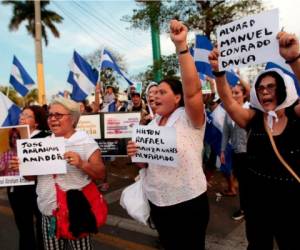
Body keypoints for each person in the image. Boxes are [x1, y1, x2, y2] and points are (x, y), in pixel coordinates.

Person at [208, 31, 300, 250]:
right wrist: (219, 72)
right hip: (258, 204)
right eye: (260, 88)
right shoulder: (253, 118)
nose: (264, 91)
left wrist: (294, 58)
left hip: (292, 205)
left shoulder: (296, 115)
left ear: (283, 89)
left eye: (271, 86)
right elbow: (230, 103)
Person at [127, 20, 209, 250]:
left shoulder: (188, 118)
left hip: (188, 204)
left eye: (162, 92)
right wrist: (135, 153)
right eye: (153, 93)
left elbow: (193, 91)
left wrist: (181, 46)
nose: (155, 96)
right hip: (158, 203)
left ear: (177, 97)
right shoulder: (151, 123)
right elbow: (144, 164)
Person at [11, 97, 106, 250]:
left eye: (58, 115)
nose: (52, 119)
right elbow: (31, 177)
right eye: (50, 115)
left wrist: (82, 164)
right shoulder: (43, 143)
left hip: (75, 213)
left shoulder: (85, 142)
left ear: (73, 118)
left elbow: (101, 174)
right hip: (48, 214)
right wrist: (23, 168)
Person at [8, 106, 50, 250]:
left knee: (42, 226)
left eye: (27, 115)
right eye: (21, 114)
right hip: (16, 189)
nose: (22, 117)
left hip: (38, 189)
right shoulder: (13, 136)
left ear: (36, 122)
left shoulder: (46, 137)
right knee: (24, 227)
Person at [220, 84, 249, 220]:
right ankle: (245, 208)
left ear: (244, 94)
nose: (234, 95)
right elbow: (226, 132)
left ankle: (249, 208)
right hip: (236, 152)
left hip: (250, 154)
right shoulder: (229, 112)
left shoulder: (250, 110)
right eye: (232, 93)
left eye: (237, 92)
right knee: (242, 182)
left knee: (249, 183)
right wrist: (222, 150)